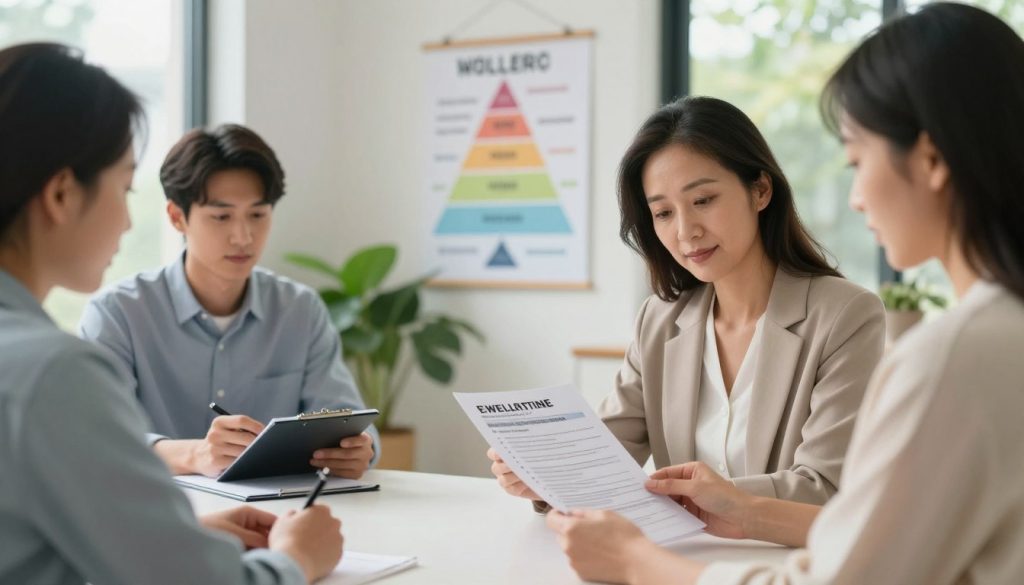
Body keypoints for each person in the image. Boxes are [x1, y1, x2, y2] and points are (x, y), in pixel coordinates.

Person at [546, 3, 1024, 584]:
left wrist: (638, 563)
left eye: (856, 159)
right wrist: (546, 472)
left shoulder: (950, 353)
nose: (854, 197)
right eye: (663, 213)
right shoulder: (998, 335)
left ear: (929, 158)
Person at [0, 42, 343, 584]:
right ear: (62, 194)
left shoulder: (299, 308)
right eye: (123, 187)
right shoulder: (53, 372)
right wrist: (296, 558)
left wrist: (188, 536)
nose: (127, 224)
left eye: (257, 213)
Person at [490, 95, 885, 510]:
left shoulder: (845, 316)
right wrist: (545, 475)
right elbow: (606, 453)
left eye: (703, 201)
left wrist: (704, 497)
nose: (686, 231)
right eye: (663, 213)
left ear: (761, 190)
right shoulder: (659, 320)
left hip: (784, 564)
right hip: (677, 560)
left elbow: (825, 487)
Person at [79, 123, 378, 479]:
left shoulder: (300, 310)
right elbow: (95, 439)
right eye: (221, 216)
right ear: (177, 217)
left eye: (257, 214)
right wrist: (194, 455)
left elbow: (346, 418)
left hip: (281, 514)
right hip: (157, 515)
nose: (243, 236)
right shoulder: (118, 314)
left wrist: (359, 449)